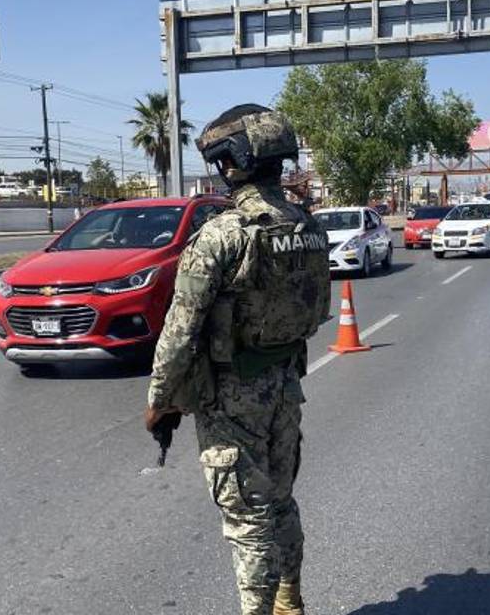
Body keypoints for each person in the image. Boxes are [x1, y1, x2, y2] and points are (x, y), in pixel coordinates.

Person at [144, 104, 332, 615]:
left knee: (248, 520)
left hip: (232, 400)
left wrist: (159, 401)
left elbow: (179, 331)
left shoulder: (223, 235)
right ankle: (289, 601)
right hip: (285, 385)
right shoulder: (309, 227)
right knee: (280, 501)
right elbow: (317, 310)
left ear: (233, 163)